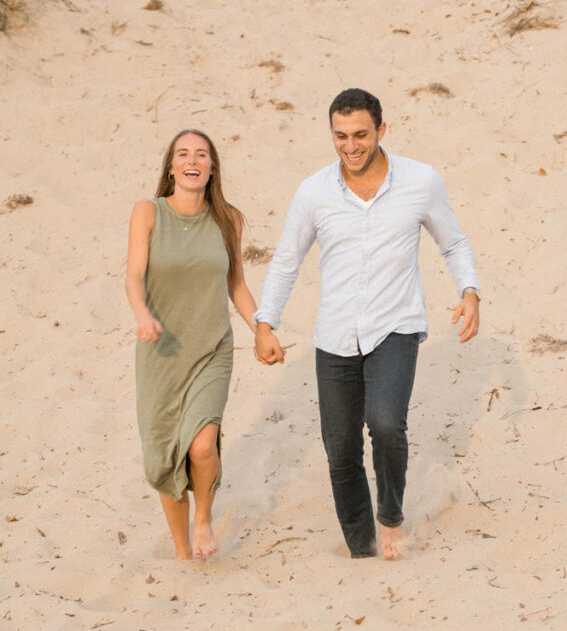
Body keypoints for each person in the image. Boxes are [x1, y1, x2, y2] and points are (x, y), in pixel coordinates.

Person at [254, 88, 480, 559]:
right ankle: (361, 548)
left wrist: (469, 292)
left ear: (381, 130)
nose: (350, 146)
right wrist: (265, 321)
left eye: (360, 134)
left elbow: (453, 244)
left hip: (394, 326)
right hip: (334, 333)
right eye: (340, 136)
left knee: (385, 422)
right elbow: (286, 260)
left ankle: (391, 517)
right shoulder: (314, 191)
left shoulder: (420, 181)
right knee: (339, 449)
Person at [125, 129, 262, 560]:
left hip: (210, 349)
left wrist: (262, 328)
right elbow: (132, 276)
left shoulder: (228, 219)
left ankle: (202, 517)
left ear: (212, 167)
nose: (193, 160)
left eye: (201, 154)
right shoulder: (148, 213)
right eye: (183, 154)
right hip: (161, 354)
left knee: (202, 445)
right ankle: (183, 553)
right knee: (164, 457)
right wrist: (143, 315)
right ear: (171, 167)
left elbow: (236, 283)